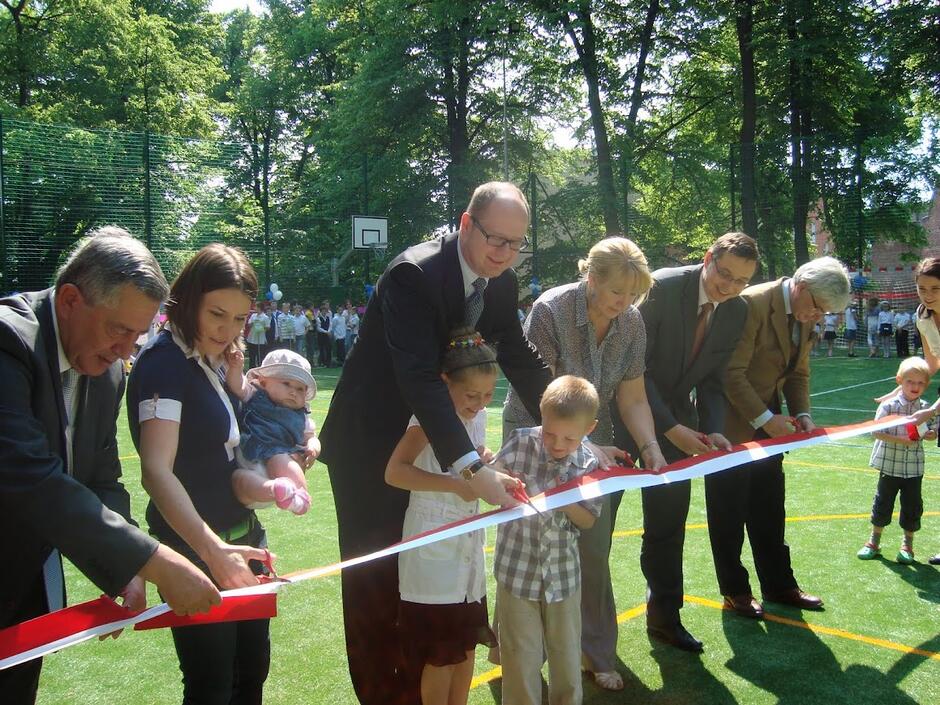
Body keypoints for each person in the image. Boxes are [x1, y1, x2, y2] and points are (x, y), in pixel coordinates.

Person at [318, 181, 552, 705]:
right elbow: (419, 378)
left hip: (439, 447)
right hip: (371, 448)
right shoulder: (413, 274)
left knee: (435, 580)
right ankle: (384, 696)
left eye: (517, 244)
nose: (505, 254)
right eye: (496, 239)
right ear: (466, 224)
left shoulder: (501, 283)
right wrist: (471, 468)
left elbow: (518, 355)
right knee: (377, 578)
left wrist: (574, 428)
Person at [0, 228, 220, 704]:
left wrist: (126, 568)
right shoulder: (6, 342)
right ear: (71, 300)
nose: (127, 350)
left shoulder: (108, 371)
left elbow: (101, 475)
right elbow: (30, 478)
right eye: (119, 329)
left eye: (138, 335)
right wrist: (155, 559)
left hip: (20, 597)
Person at [502, 236, 664, 690]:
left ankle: (595, 652)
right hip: (536, 436)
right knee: (526, 546)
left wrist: (649, 445)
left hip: (596, 440)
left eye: (633, 295)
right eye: (618, 293)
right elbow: (547, 404)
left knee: (592, 549)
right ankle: (513, 646)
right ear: (591, 279)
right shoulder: (551, 312)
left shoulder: (631, 324)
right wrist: (590, 451)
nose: (625, 303)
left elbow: (632, 396)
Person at [128, 243, 273, 705]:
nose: (228, 329)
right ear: (187, 298)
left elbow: (231, 444)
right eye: (217, 314)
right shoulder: (163, 363)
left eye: (238, 319)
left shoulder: (215, 357)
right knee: (212, 686)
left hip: (245, 537)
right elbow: (156, 471)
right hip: (196, 552)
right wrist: (213, 553)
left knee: (252, 674)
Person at [632, 232, 759, 653]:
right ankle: (581, 629)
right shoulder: (662, 287)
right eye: (724, 274)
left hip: (678, 425)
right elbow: (635, 369)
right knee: (596, 520)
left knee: (668, 523)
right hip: (621, 412)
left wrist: (714, 427)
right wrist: (668, 428)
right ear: (708, 258)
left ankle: (664, 616)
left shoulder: (736, 310)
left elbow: (714, 379)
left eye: (741, 281)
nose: (729, 287)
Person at [707, 256, 850, 618]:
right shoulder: (750, 303)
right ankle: (735, 591)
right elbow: (730, 374)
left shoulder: (806, 314)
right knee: (728, 509)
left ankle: (779, 584)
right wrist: (767, 419)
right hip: (728, 423)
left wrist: (802, 414)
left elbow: (798, 373)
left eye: (825, 313)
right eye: (818, 308)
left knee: (770, 505)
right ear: (801, 287)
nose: (819, 317)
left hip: (770, 422)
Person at [384, 328, 500, 705]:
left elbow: (472, 464)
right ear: (445, 381)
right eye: (471, 395)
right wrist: (454, 485)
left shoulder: (476, 417)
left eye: (488, 396)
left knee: (465, 648)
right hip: (433, 545)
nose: (480, 404)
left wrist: (487, 465)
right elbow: (395, 472)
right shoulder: (427, 420)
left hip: (467, 548)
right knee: (441, 654)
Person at [493, 375, 603, 705]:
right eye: (550, 432)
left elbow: (588, 520)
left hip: (563, 577)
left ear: (589, 429)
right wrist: (495, 475)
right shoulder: (519, 442)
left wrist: (563, 498)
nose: (556, 443)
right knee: (520, 658)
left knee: (567, 657)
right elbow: (493, 488)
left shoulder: (589, 463)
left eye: (569, 438)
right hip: (516, 575)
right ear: (541, 416)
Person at [857, 357, 935, 564]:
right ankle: (873, 542)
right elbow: (876, 432)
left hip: (914, 468)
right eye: (910, 381)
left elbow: (933, 429)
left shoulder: (927, 407)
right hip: (889, 465)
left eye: (920, 383)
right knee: (882, 503)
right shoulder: (888, 406)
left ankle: (907, 546)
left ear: (926, 384)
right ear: (900, 380)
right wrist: (901, 440)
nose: (915, 386)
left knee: (912, 507)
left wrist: (931, 434)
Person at [225, 348, 319, 515]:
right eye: (286, 384)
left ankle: (296, 496)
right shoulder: (254, 394)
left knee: (284, 462)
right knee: (239, 480)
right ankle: (277, 489)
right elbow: (236, 385)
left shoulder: (302, 416)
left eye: (300, 389)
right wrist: (235, 368)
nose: (293, 392)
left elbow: (311, 436)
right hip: (250, 457)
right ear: (263, 381)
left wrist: (313, 448)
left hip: (279, 458)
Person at [246, 302, 270, 368]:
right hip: (252, 338)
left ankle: (260, 368)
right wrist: (254, 322)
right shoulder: (253, 315)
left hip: (260, 339)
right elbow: (249, 324)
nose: (254, 308)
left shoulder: (265, 317)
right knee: (252, 356)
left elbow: (268, 327)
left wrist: (261, 327)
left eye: (256, 307)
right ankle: (251, 369)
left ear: (259, 308)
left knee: (260, 356)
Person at [316, 303, 332, 368]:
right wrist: (326, 332)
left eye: (325, 311)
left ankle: (328, 362)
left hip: (327, 335)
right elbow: (318, 328)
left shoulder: (328, 317)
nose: (324, 312)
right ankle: (322, 362)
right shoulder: (318, 318)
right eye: (323, 311)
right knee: (321, 349)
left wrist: (328, 331)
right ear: (321, 311)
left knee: (328, 348)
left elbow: (330, 325)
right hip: (321, 335)